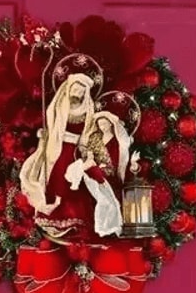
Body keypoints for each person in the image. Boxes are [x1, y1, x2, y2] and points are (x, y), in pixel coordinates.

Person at [19, 70, 134, 240]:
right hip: (57, 147)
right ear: (69, 88)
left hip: (75, 150)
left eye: (81, 91)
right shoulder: (59, 105)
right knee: (56, 177)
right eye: (75, 89)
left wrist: (86, 151)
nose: (77, 93)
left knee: (74, 181)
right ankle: (52, 215)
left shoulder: (87, 110)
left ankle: (75, 219)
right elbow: (52, 125)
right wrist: (45, 135)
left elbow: (88, 131)